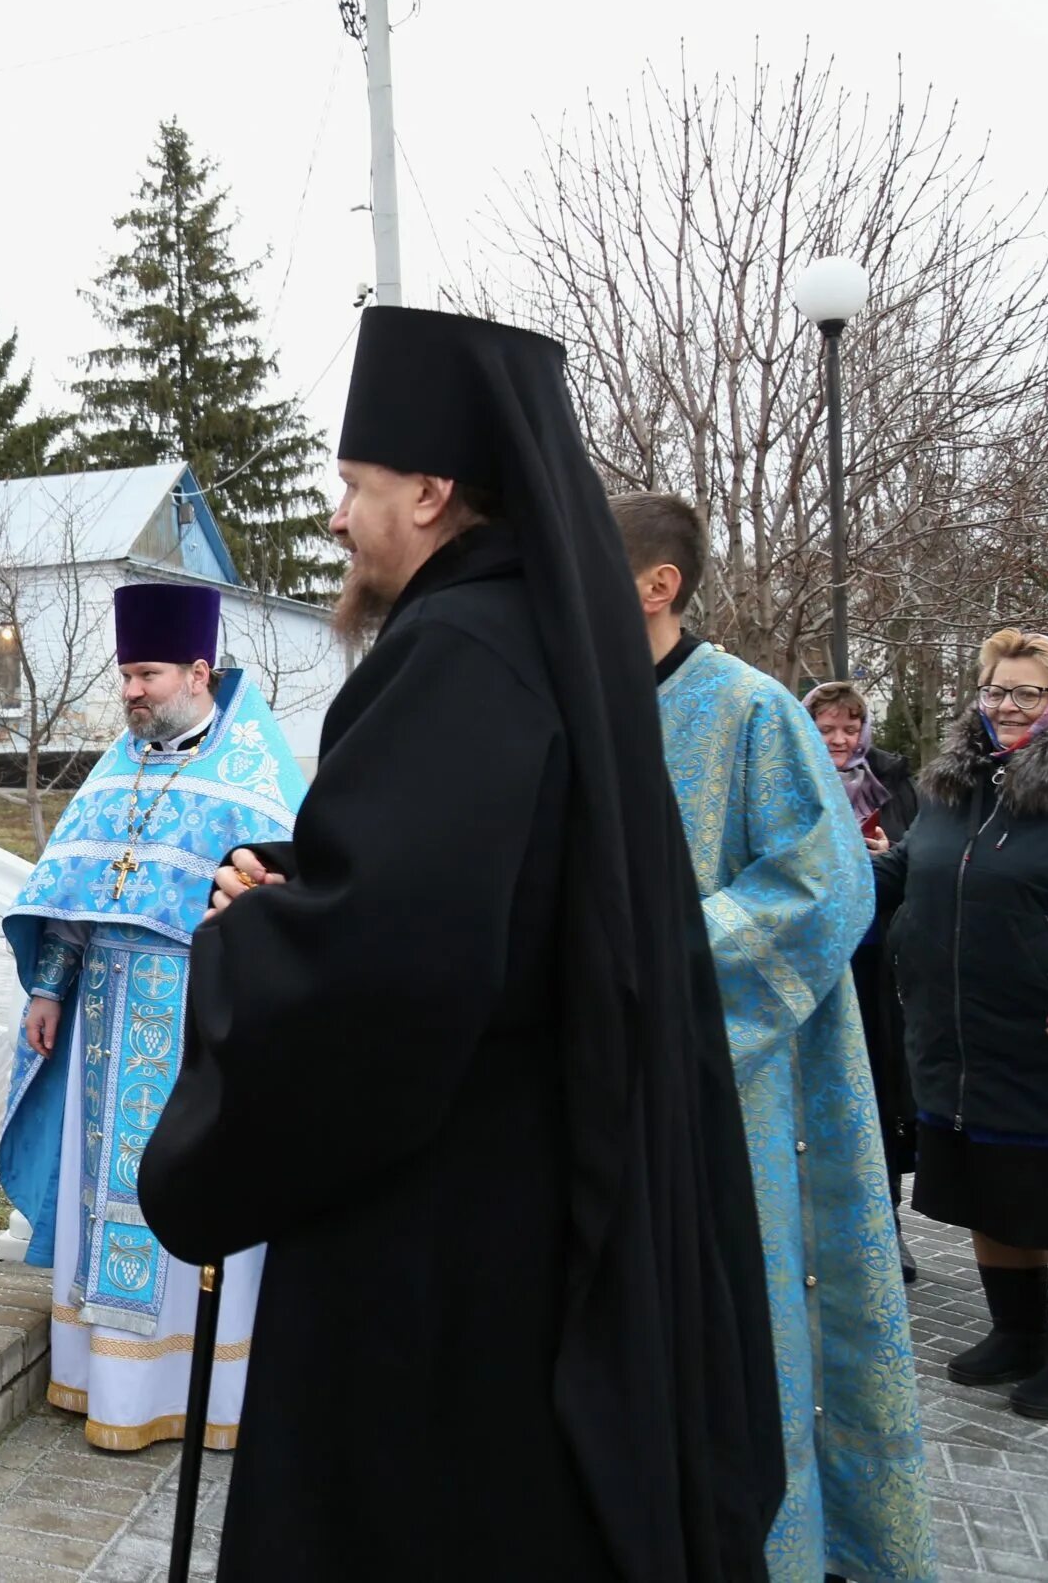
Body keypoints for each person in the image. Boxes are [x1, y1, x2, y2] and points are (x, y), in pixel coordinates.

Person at [141, 307, 783, 1582]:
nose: (338, 518)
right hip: (538, 1187)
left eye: (355, 487)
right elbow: (474, 899)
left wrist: (250, 936)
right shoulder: (550, 641)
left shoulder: (458, 650)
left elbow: (386, 978)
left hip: (447, 1239)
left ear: (430, 491)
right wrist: (317, 885)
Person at [612, 491, 936, 1583]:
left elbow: (823, 885)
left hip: (743, 1075)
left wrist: (641, 962)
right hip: (607, 1071)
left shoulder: (748, 709)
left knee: (756, 1313)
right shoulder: (580, 703)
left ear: (657, 585)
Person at [0, 581, 304, 1453]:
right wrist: (50, 986)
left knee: (183, 1183)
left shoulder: (256, 772)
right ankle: (104, 1379)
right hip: (103, 1013)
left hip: (199, 1020)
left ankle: (190, 1389)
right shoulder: (118, 763)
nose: (131, 690)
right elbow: (70, 900)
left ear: (198, 671)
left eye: (149, 674)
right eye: (127, 673)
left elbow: (290, 901)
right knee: (108, 1192)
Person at [875, 628, 1048, 1422]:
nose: (1006, 706)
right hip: (959, 1037)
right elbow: (907, 870)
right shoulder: (953, 789)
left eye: (1028, 691)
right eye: (995, 689)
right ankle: (1018, 1332)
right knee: (992, 1193)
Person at [803, 677, 922, 1274]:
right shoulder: (788, 774)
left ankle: (887, 1223)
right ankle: (819, 1222)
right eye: (826, 728)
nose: (840, 740)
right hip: (815, 954)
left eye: (850, 727)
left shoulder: (894, 781)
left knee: (878, 1089)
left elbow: (920, 853)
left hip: (878, 962)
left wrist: (888, 852)